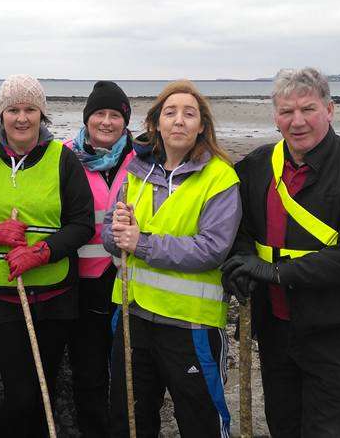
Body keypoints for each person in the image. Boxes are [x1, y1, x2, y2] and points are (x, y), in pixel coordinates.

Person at [222, 67, 340, 437]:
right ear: (275, 117)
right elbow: (238, 228)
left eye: (308, 109)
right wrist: (240, 264)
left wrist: (275, 272)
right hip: (276, 330)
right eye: (287, 111)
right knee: (283, 426)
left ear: (329, 110)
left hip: (339, 333)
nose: (297, 121)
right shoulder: (256, 167)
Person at [0, 74, 94, 437]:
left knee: (44, 389)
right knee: (21, 393)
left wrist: (42, 252)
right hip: (3, 300)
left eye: (30, 109)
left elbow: (82, 224)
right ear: (1, 115)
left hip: (55, 297)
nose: (21, 118)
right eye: (13, 109)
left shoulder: (63, 160)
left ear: (41, 115)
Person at [102, 79, 241, 438]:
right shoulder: (136, 171)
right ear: (156, 123)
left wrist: (141, 243)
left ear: (202, 126)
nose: (179, 120)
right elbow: (109, 236)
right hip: (133, 318)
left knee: (200, 423)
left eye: (189, 114)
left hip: (191, 326)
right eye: (170, 113)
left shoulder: (220, 177)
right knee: (129, 421)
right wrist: (117, 233)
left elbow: (212, 248)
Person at [63, 80, 134, 437]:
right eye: (99, 113)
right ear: (87, 118)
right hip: (80, 283)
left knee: (129, 373)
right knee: (88, 372)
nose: (106, 122)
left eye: (115, 115)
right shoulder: (63, 156)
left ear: (125, 122)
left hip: (128, 282)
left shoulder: (144, 158)